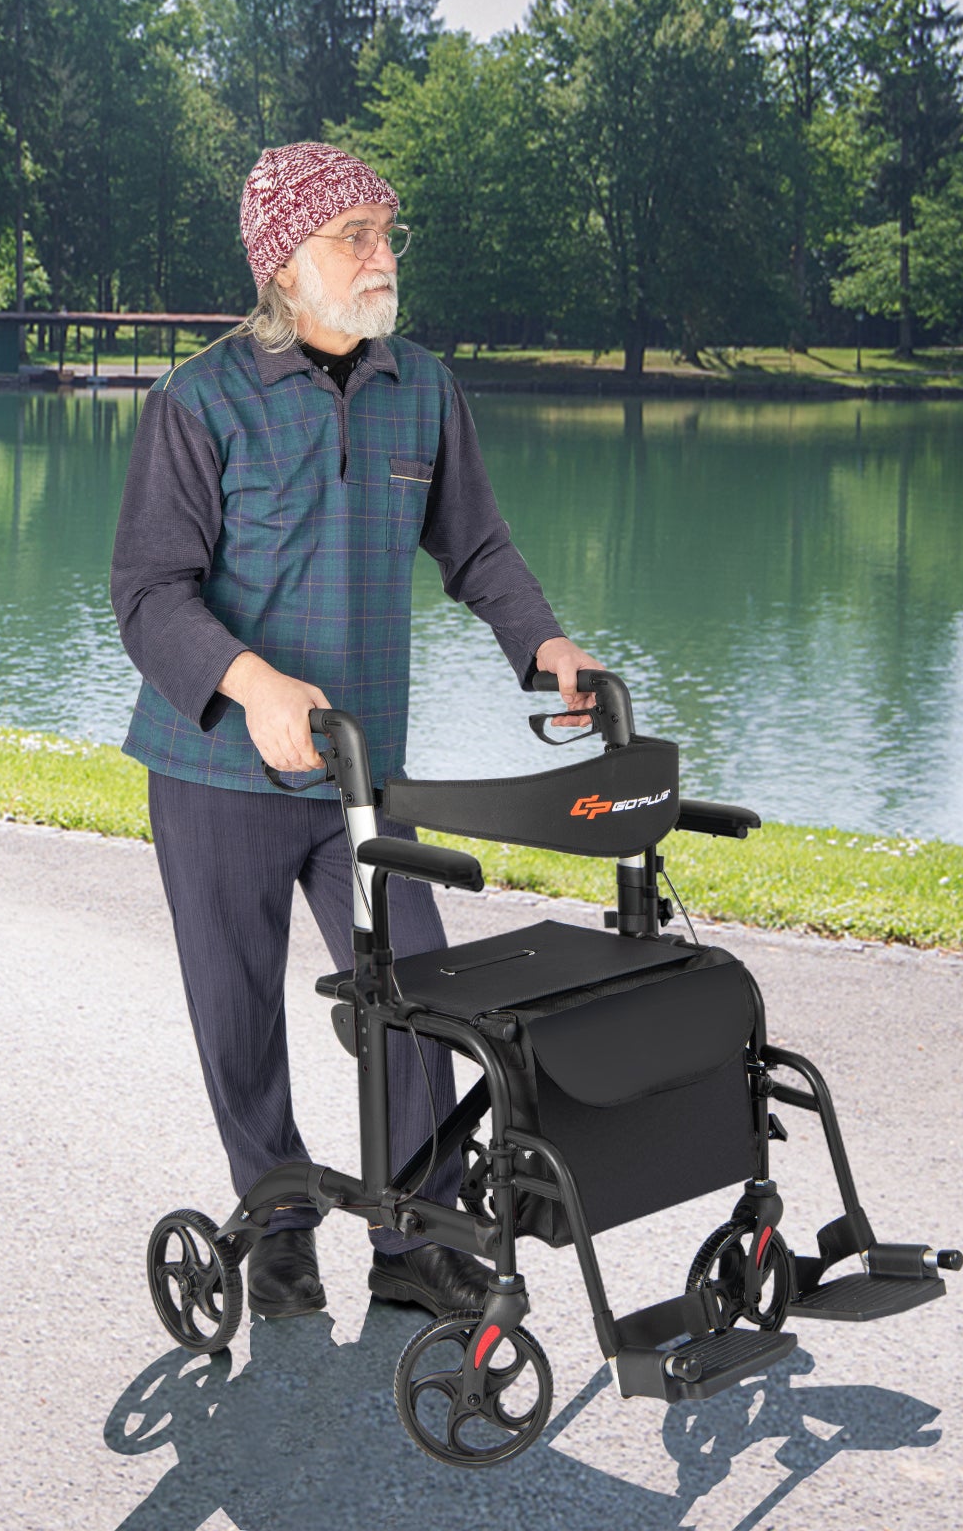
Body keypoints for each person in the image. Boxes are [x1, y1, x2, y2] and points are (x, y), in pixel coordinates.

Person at [111, 141, 600, 1321]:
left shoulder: (420, 387)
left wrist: (545, 646)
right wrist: (254, 683)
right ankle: (278, 1221)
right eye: (356, 237)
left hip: (363, 780)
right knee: (238, 1015)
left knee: (416, 998)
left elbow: (475, 545)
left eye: (388, 233)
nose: (383, 257)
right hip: (215, 769)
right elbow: (149, 592)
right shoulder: (200, 399)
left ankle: (412, 1237)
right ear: (286, 260)